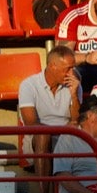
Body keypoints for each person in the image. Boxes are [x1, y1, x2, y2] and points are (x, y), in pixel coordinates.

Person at [19, 45, 79, 176]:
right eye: (68, 69)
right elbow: (31, 124)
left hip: (66, 137)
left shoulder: (74, 83)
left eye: (73, 68)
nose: (72, 73)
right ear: (53, 66)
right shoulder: (29, 85)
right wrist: (62, 129)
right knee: (43, 135)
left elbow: (76, 120)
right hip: (38, 140)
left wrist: (74, 94)